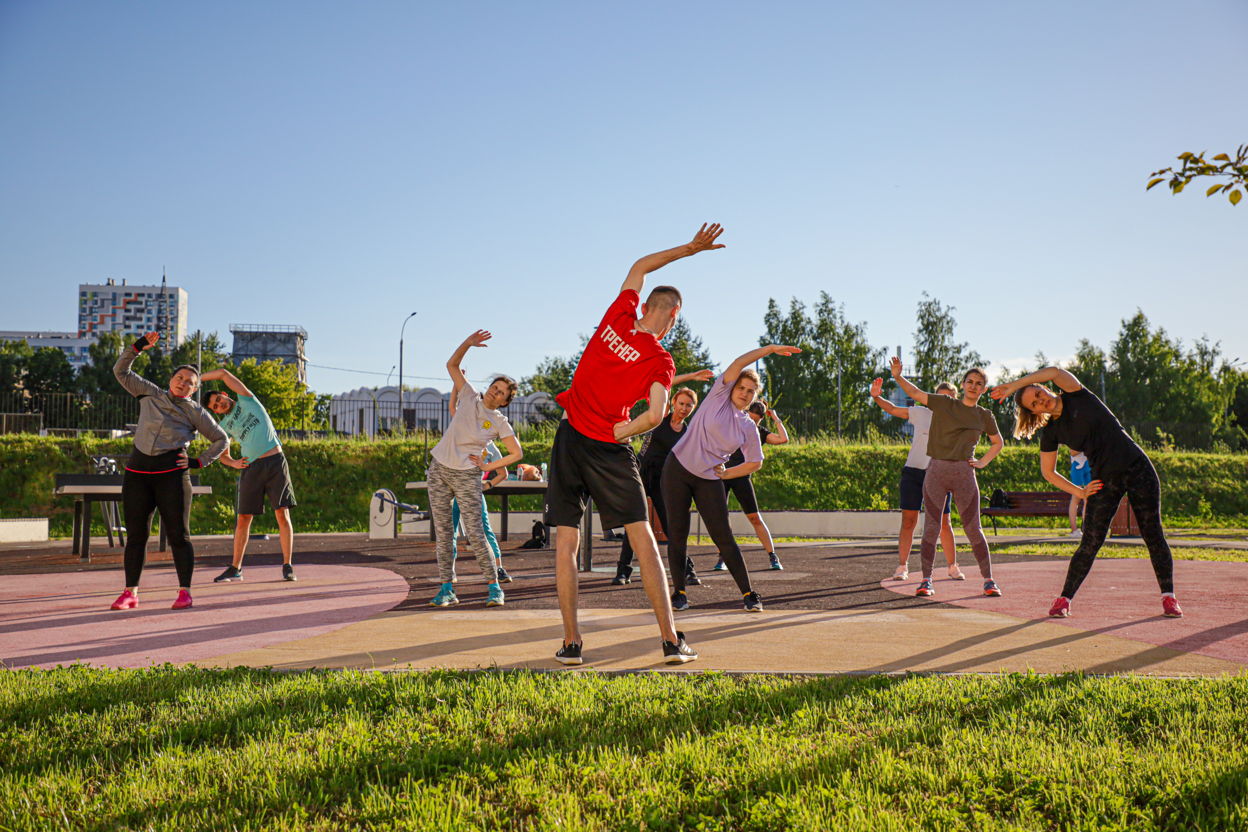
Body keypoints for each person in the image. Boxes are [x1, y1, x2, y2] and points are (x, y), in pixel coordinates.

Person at [545, 223, 726, 666]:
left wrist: (689, 249)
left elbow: (641, 265)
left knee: (566, 542)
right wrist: (620, 433)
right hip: (607, 448)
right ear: (674, 316)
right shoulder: (660, 360)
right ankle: (670, 641)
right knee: (642, 539)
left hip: (569, 437)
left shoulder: (619, 315)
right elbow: (657, 414)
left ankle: (572, 644)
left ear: (646, 305)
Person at [991, 367, 1182, 618]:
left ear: (1045, 387)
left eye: (1038, 393)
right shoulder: (1051, 432)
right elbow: (1048, 472)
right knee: (1091, 541)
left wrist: (1014, 385)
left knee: (1153, 533)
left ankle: (1169, 597)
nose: (1041, 401)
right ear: (1034, 412)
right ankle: (1064, 600)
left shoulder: (1077, 394)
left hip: (1137, 467)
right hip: (1103, 481)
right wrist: (1079, 492)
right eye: (1034, 404)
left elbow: (1054, 371)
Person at [664, 344, 801, 613]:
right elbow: (739, 362)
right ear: (732, 387)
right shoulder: (718, 396)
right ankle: (679, 592)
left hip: (709, 478)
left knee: (723, 537)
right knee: (678, 534)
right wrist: (770, 349)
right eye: (741, 388)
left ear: (754, 397)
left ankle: (749, 594)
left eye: (750, 391)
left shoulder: (749, 426)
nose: (745, 393)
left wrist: (727, 473)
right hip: (677, 469)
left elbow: (755, 462)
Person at [109, 332, 229, 611]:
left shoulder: (196, 412)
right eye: (180, 377)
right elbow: (120, 371)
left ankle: (185, 592)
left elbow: (221, 439)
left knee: (178, 535)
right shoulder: (149, 393)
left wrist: (199, 462)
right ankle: (130, 593)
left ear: (194, 389)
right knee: (136, 536)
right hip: (138, 473)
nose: (183, 383)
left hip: (172, 476)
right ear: (171, 379)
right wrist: (138, 347)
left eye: (190, 382)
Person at [889, 357, 1004, 598]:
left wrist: (983, 462)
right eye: (970, 381)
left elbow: (998, 442)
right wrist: (898, 377)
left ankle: (989, 580)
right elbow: (916, 393)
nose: (973, 386)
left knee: (973, 528)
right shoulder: (944, 403)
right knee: (931, 528)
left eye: (979, 383)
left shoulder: (984, 415)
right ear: (962, 384)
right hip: (937, 472)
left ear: (983, 389)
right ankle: (926, 580)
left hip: (964, 474)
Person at [427, 330, 524, 608]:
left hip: (467, 476)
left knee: (476, 534)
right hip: (439, 470)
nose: (496, 391)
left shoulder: (499, 421)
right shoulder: (469, 395)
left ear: (505, 401)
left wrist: (488, 466)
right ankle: (447, 589)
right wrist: (468, 344)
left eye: (502, 392)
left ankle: (495, 588)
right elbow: (452, 365)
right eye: (495, 386)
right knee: (444, 534)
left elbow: (517, 453)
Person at [611, 373, 714, 587]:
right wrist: (693, 376)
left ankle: (688, 570)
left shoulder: (687, 433)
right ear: (673, 402)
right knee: (635, 523)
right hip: (641, 474)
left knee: (671, 526)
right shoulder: (662, 415)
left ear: (693, 408)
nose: (684, 408)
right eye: (681, 403)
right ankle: (623, 572)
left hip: (664, 480)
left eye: (689, 405)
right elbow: (665, 384)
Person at [201, 368, 299, 583]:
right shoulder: (223, 426)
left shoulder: (247, 400)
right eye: (215, 406)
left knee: (282, 513)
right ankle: (235, 568)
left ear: (224, 394)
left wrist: (196, 378)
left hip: (275, 462)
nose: (219, 405)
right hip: (251, 468)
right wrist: (233, 463)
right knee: (243, 518)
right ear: (215, 411)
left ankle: (288, 565)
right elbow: (222, 455)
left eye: (218, 399)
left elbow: (224, 374)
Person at [869, 377, 963, 581]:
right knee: (908, 521)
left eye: (949, 398)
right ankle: (902, 567)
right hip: (913, 473)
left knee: (944, 522)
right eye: (940, 398)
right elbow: (893, 409)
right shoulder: (921, 413)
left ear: (955, 401)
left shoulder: (958, 422)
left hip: (939, 476)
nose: (944, 402)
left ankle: (952, 566)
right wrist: (876, 397)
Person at [715, 399, 790, 573]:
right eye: (750, 417)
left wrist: (776, 418)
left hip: (742, 477)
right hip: (724, 475)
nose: (752, 422)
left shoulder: (760, 432)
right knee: (721, 519)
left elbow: (783, 439)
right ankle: (722, 557)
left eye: (756, 420)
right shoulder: (734, 425)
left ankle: (773, 556)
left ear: (761, 419)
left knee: (755, 517)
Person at [449, 440, 510, 583]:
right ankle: (449, 571)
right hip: (453, 492)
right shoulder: (457, 438)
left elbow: (503, 473)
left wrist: (487, 485)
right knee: (450, 531)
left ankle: (498, 568)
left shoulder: (489, 446)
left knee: (484, 529)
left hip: (472, 491)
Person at [1068, 450, 1090, 537]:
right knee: (1076, 498)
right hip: (1077, 465)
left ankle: (1086, 529)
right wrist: (1087, 447)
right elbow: (1072, 452)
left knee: (1088, 499)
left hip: (1088, 465)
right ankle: (1074, 530)